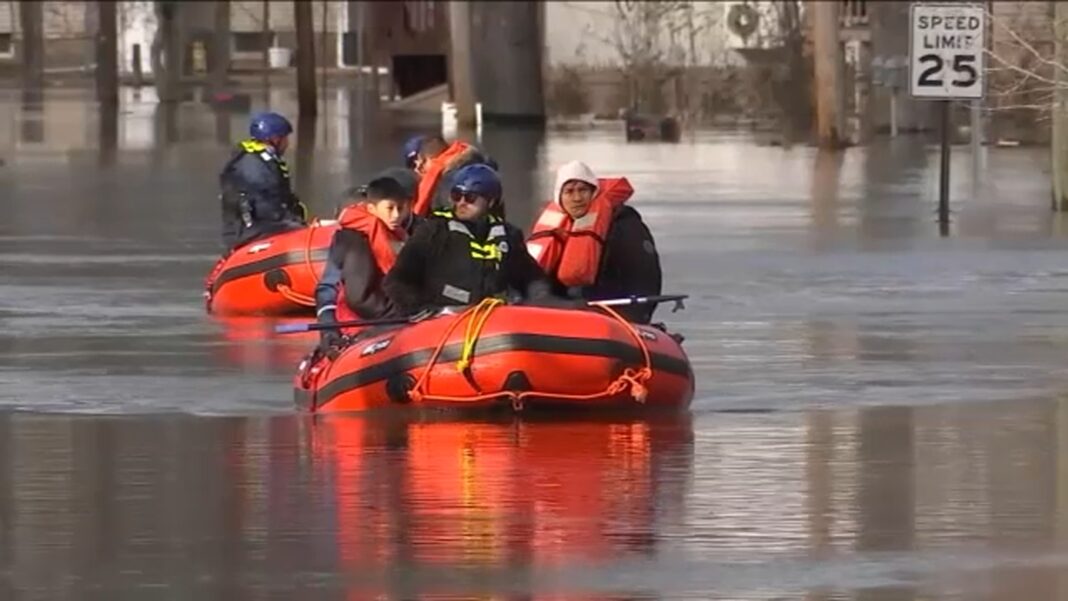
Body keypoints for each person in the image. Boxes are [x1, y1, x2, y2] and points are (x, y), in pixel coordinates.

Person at [383, 164, 565, 316]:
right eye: (456, 196)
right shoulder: (433, 232)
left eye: (470, 198)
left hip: (494, 321)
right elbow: (397, 281)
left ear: (491, 202)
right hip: (443, 322)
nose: (461, 202)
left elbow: (532, 278)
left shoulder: (508, 236)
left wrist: (540, 299)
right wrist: (427, 311)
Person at [526, 160, 662, 324]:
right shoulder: (554, 229)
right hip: (565, 311)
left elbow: (643, 277)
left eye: (583, 190)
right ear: (559, 197)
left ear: (594, 193)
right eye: (569, 192)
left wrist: (635, 319)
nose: (577, 198)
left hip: (611, 313)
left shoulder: (623, 226)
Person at [315, 171, 414, 353]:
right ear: (372, 208)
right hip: (366, 323)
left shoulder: (402, 233)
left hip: (391, 315)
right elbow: (356, 296)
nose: (396, 215)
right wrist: (328, 326)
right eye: (390, 208)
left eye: (401, 208)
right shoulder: (354, 240)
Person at [218, 112, 308, 250]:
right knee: (301, 233)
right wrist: (291, 222)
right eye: (285, 138)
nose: (288, 143)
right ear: (275, 139)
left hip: (261, 227)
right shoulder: (254, 165)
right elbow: (266, 206)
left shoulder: (260, 161)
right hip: (250, 232)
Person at [407, 134, 491, 217]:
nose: (419, 169)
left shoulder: (445, 182)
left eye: (422, 164)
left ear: (430, 160)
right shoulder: (482, 167)